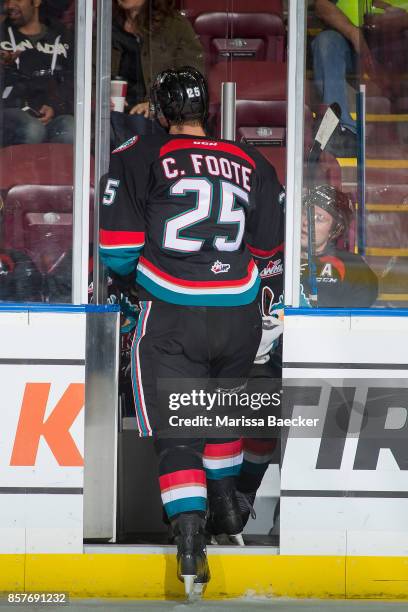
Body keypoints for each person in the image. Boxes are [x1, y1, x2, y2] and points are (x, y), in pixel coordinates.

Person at [99, 66, 284, 597]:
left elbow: (116, 251)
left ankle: (189, 541)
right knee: (218, 410)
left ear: (159, 110)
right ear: (208, 110)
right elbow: (269, 250)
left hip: (174, 314)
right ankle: (226, 507)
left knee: (180, 434)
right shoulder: (251, 160)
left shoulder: (138, 155)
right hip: (240, 316)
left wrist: (148, 283)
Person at [312, 0, 407, 156]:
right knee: (326, 41)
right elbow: (322, 5)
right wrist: (353, 32)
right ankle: (340, 129)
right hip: (350, 44)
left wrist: (395, 19)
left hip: (392, 50)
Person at [110, 0, 204, 146]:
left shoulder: (175, 26)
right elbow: (88, 73)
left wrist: (157, 104)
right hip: (113, 113)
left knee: (138, 124)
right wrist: (100, 98)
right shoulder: (106, 24)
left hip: (156, 116)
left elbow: (191, 80)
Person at [0, 0, 74, 146]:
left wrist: (54, 105)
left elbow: (74, 78)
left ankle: (60, 170)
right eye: (7, 0)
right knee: (32, 129)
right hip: (10, 111)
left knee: (71, 129)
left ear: (37, 2)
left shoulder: (63, 36)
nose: (10, 5)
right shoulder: (1, 34)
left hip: (53, 112)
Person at [300, 184, 378, 307]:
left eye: (319, 218)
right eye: (305, 213)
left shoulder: (353, 266)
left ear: (336, 230)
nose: (306, 222)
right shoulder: (278, 261)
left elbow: (354, 321)